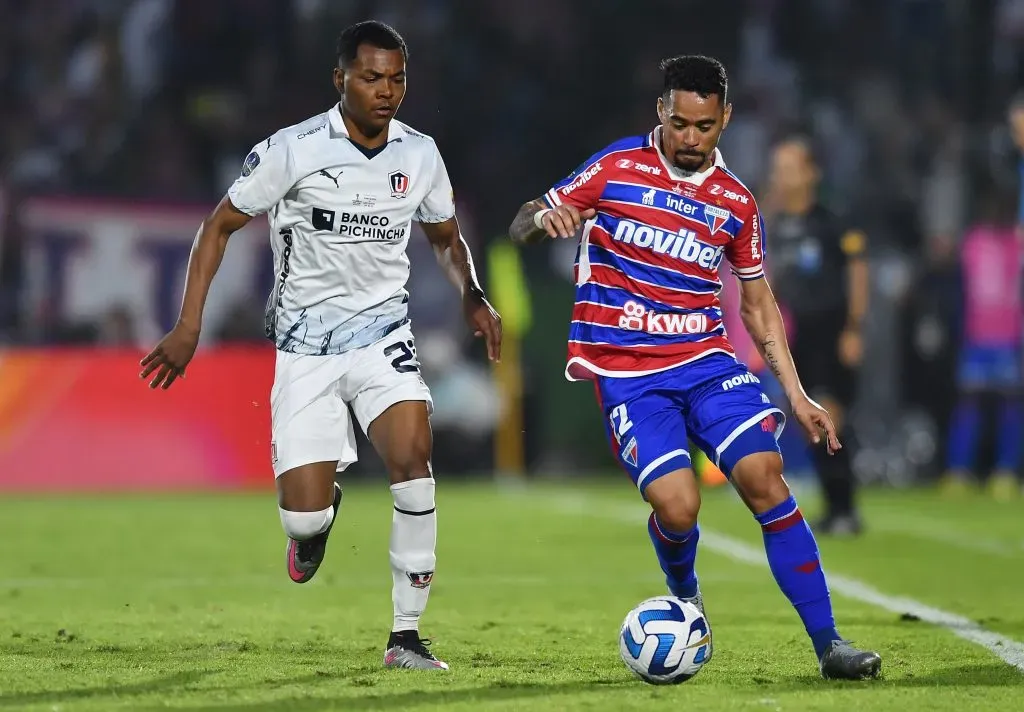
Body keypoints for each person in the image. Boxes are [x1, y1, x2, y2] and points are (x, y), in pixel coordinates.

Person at [140, 21, 501, 671]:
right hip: (306, 348)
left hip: (384, 336)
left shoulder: (419, 155)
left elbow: (445, 236)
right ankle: (319, 519)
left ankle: (407, 637)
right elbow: (219, 227)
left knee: (414, 459)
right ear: (341, 80)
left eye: (396, 79)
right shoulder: (292, 149)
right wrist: (189, 325)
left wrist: (472, 295)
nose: (386, 90)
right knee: (301, 522)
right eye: (371, 77)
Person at [508, 55, 880, 680]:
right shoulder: (615, 166)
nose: (689, 138)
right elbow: (523, 219)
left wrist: (797, 393)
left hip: (706, 361)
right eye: (679, 123)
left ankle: (830, 645)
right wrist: (547, 221)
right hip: (630, 372)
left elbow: (759, 306)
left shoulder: (735, 201)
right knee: (678, 509)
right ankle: (686, 598)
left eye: (704, 127)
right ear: (662, 111)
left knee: (765, 476)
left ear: (725, 119)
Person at [763, 135, 870, 535]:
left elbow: (858, 271)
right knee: (809, 422)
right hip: (793, 337)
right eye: (779, 167)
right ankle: (835, 507)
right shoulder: (773, 224)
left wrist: (854, 328)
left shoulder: (832, 221)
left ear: (812, 173)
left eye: (791, 167)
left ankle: (845, 506)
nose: (782, 175)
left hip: (830, 331)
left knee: (830, 416)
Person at [941, 179, 1024, 500]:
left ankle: (1005, 471)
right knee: (969, 405)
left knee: (1009, 406)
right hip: (976, 338)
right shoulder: (973, 243)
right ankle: (958, 470)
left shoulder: (1016, 244)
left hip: (1009, 338)